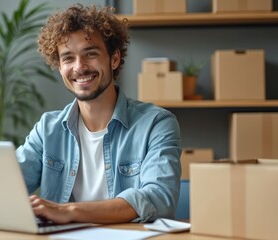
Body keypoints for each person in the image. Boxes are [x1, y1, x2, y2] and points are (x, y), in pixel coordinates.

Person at [15, 4, 182, 224]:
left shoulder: (156, 124)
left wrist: (70, 211)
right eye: (67, 58)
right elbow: (7, 184)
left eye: (90, 54)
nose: (79, 67)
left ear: (114, 59)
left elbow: (159, 198)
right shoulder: (48, 129)